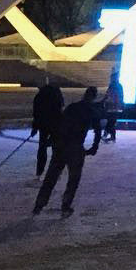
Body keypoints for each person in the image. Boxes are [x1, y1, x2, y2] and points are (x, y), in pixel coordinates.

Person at [33, 86, 102, 216]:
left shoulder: (72, 108)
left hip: (60, 145)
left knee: (51, 176)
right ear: (94, 97)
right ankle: (65, 206)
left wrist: (51, 139)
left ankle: (39, 204)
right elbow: (97, 131)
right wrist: (94, 147)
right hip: (75, 147)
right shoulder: (92, 111)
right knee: (73, 179)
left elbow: (60, 124)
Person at [30, 77, 64, 177]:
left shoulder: (39, 96)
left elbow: (36, 113)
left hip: (43, 125)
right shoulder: (57, 93)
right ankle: (55, 171)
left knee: (42, 148)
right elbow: (60, 109)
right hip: (55, 125)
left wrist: (35, 128)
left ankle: (39, 171)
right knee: (55, 148)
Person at [100, 70, 122, 143]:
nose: (111, 79)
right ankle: (113, 137)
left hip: (114, 107)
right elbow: (107, 95)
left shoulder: (116, 86)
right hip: (112, 107)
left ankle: (105, 135)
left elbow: (117, 96)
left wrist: (104, 101)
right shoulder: (114, 85)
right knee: (111, 121)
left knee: (111, 122)